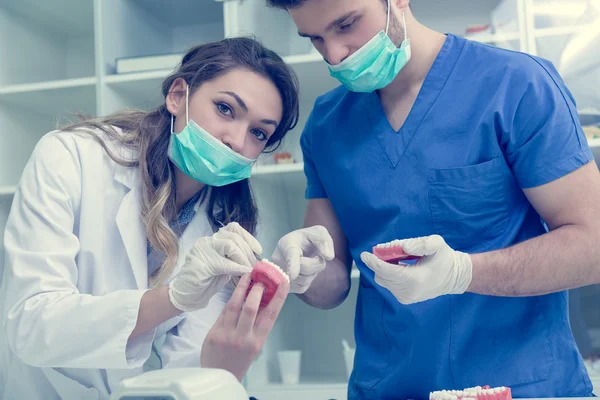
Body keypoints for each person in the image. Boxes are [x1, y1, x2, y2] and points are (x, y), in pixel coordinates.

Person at [265, 0, 600, 398]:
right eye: (315, 39)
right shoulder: (326, 125)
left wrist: (464, 272)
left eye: (347, 25)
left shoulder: (515, 85)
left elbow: (592, 245)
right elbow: (331, 282)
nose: (334, 55)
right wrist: (302, 271)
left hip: (520, 384)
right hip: (389, 388)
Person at [0, 37, 299, 400]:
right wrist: (173, 297)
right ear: (177, 96)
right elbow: (30, 326)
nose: (236, 140)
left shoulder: (224, 220)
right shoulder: (70, 157)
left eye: (258, 133)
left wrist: (259, 300)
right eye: (224, 108)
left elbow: (189, 371)